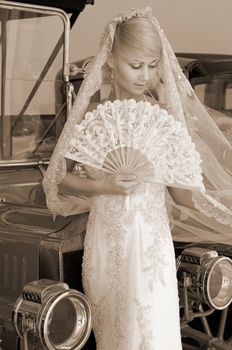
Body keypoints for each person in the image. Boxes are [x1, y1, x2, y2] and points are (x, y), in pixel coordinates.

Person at [43, 7, 232, 350]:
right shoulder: (91, 115)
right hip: (105, 244)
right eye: (135, 65)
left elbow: (182, 196)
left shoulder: (163, 117)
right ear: (111, 59)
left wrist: (215, 200)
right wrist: (104, 186)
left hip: (152, 249)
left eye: (153, 65)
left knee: (153, 333)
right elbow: (61, 181)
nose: (146, 75)